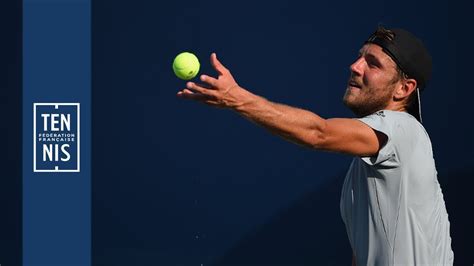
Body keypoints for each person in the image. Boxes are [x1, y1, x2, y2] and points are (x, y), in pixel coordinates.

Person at [177, 26, 454, 265]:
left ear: (403, 89)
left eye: (373, 63)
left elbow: (318, 133)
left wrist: (237, 98)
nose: (355, 66)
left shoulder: (404, 129)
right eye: (359, 57)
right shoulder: (367, 172)